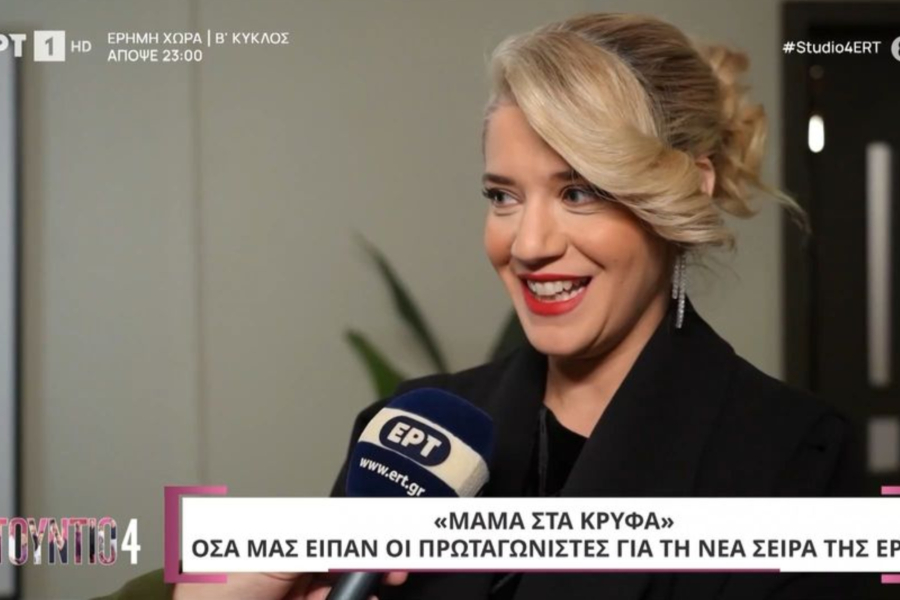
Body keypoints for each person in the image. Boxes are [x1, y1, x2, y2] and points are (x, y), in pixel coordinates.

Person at [93, 11, 866, 600]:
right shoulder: (408, 430)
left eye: (579, 192)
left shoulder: (795, 458)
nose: (528, 244)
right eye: (502, 196)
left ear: (685, 188)